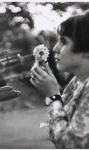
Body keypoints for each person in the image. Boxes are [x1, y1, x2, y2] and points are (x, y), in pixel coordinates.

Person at [30, 11, 89, 148]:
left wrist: (53, 96)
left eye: (63, 41)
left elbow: (71, 144)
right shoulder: (77, 81)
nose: (55, 48)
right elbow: (64, 118)